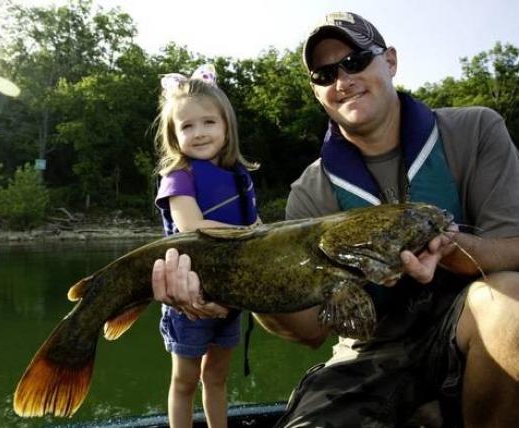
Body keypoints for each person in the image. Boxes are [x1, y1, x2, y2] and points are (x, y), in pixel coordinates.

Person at [151, 13, 519, 428]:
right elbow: (309, 331)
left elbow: (515, 248)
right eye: (325, 73)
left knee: (512, 301)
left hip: (473, 331)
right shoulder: (309, 191)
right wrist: (239, 290)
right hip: (370, 353)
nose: (342, 79)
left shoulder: (476, 130)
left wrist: (453, 251)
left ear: (391, 61)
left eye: (356, 60)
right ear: (315, 90)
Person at [153, 64, 260, 428]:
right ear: (174, 134)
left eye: (208, 122)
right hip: (188, 299)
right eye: (187, 126)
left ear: (226, 126)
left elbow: (257, 225)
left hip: (231, 296)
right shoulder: (178, 176)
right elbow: (192, 226)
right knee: (184, 380)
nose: (198, 133)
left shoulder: (238, 175)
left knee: (216, 376)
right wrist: (249, 236)